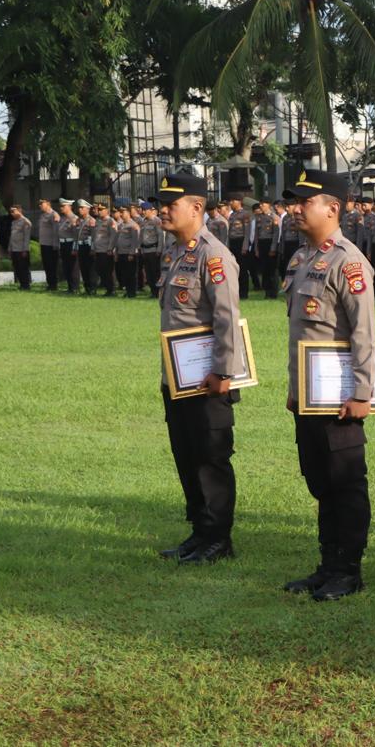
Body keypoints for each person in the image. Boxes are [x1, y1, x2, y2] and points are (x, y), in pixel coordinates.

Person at [281, 169, 375, 602]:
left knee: (346, 482)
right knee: (319, 480)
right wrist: (295, 388)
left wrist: (361, 393)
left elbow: (363, 334)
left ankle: (348, 570)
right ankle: (328, 563)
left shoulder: (349, 261)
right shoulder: (302, 259)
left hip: (339, 399)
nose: (295, 209)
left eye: (305, 201)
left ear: (332, 208)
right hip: (309, 395)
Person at [152, 167, 243, 564]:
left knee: (210, 457)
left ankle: (218, 538)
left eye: (170, 205)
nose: (162, 212)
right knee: (186, 455)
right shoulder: (175, 253)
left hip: (208, 380)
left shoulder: (214, 255)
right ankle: (199, 531)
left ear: (196, 207)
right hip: (177, 377)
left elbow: (226, 319)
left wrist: (223, 372)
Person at [226, 196, 253, 298]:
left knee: (242, 269)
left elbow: (247, 232)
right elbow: (229, 232)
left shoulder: (245, 214)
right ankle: (236, 291)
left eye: (233, 200)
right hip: (232, 242)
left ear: (239, 202)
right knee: (234, 268)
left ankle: (244, 293)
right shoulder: (232, 215)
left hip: (241, 242)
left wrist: (245, 246)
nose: (231, 202)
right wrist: (228, 245)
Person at [252, 199, 279, 299]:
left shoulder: (274, 217)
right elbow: (256, 235)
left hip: (270, 243)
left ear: (269, 205)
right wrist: (256, 249)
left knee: (272, 269)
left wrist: (273, 248)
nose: (261, 206)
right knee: (264, 269)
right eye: (260, 204)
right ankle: (267, 291)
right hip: (261, 244)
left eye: (263, 204)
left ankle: (273, 292)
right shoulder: (259, 218)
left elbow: (276, 234)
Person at [139, 202, 165, 298]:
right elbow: (141, 236)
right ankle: (152, 291)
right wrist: (141, 248)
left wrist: (159, 249)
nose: (142, 212)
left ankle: (158, 292)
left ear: (150, 210)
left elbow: (160, 236)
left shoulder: (156, 221)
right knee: (148, 272)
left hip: (154, 250)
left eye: (144, 210)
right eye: (142, 210)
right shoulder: (143, 221)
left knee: (155, 273)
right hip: (145, 250)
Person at [92, 203, 118, 296]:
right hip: (98, 250)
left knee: (108, 271)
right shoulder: (98, 221)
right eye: (99, 210)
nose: (100, 212)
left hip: (106, 250)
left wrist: (110, 248)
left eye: (102, 210)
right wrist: (94, 248)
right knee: (100, 270)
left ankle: (112, 289)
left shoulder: (110, 221)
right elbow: (95, 236)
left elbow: (113, 236)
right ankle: (107, 288)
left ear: (107, 211)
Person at [34, 198, 60, 290]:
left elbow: (56, 230)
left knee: (52, 265)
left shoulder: (54, 215)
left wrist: (55, 244)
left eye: (42, 204)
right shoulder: (42, 215)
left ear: (48, 204)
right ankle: (50, 284)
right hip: (44, 244)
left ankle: (54, 284)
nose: (40, 206)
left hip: (51, 245)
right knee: (46, 265)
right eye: (39, 204)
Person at [56, 199, 80, 293]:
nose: (61, 208)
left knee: (73, 266)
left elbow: (76, 235)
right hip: (63, 244)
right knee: (66, 266)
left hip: (71, 244)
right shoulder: (62, 218)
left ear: (70, 207)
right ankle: (70, 286)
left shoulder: (74, 218)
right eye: (61, 206)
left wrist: (75, 247)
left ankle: (75, 287)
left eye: (63, 206)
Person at [8, 205, 32, 290]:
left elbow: (26, 237)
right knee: (17, 267)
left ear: (19, 211)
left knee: (23, 268)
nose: (12, 213)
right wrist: (10, 248)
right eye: (11, 212)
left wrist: (25, 250)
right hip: (14, 249)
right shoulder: (14, 222)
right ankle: (22, 284)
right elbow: (12, 236)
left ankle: (26, 285)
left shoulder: (25, 222)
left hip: (22, 249)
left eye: (13, 211)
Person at [75, 200, 96, 294]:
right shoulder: (78, 220)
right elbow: (76, 235)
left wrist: (92, 248)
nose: (80, 210)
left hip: (88, 246)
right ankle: (86, 287)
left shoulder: (91, 220)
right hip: (80, 246)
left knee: (90, 268)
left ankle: (92, 288)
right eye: (79, 208)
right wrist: (75, 247)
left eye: (82, 208)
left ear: (87, 209)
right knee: (83, 267)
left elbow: (93, 236)